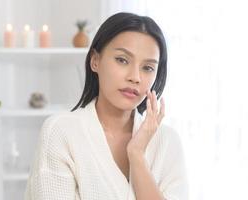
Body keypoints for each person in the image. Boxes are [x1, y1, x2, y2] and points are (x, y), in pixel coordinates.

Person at [24, 12, 188, 200]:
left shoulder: (167, 141)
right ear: (95, 61)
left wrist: (137, 155)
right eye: (122, 60)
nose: (135, 77)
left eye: (148, 68)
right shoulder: (61, 132)